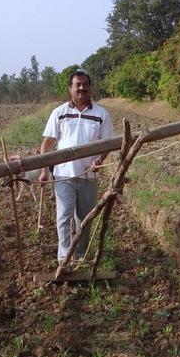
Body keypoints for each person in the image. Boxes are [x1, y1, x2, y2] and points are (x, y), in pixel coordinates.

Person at [39, 70, 113, 263]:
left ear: (89, 87)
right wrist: (44, 170)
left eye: (84, 84)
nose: (81, 88)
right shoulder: (60, 113)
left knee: (85, 218)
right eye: (77, 85)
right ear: (70, 89)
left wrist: (100, 160)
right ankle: (64, 256)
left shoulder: (101, 114)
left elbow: (108, 144)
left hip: (89, 175)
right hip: (63, 175)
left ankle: (80, 256)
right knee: (63, 216)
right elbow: (48, 143)